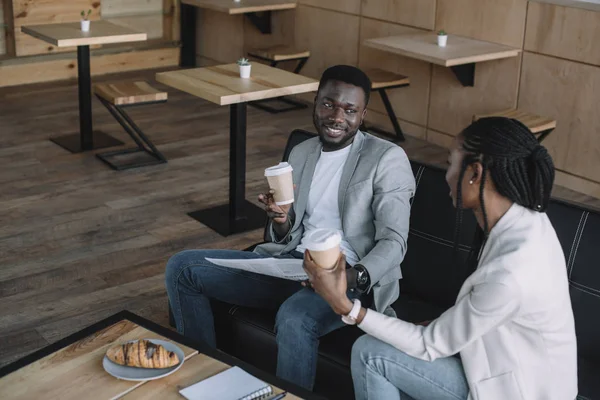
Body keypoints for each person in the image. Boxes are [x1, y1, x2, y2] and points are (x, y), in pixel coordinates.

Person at [165, 65, 416, 390]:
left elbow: (394, 242)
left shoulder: (387, 158)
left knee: (295, 318)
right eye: (328, 104)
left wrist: (346, 278)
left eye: (349, 110)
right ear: (315, 101)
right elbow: (287, 235)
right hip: (290, 265)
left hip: (348, 276)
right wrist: (280, 219)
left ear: (363, 114)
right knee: (182, 268)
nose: (337, 117)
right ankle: (205, 383)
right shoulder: (302, 152)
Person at [304, 117, 578, 400]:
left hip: (517, 392)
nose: (446, 175)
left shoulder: (511, 272)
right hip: (512, 372)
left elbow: (428, 344)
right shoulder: (528, 221)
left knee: (370, 353)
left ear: (475, 173)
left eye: (451, 164)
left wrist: (344, 305)